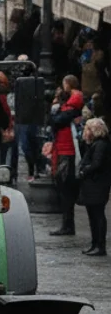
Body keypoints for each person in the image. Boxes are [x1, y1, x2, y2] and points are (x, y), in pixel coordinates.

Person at [50, 75, 85, 236]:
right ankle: (67, 224)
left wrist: (58, 106)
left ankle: (67, 225)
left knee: (65, 188)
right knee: (65, 188)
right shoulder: (72, 107)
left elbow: (56, 121)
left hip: (66, 151)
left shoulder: (70, 108)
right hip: (64, 150)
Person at [77, 118, 109, 256]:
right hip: (93, 184)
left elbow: (97, 163)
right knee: (93, 215)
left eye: (88, 129)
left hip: (97, 184)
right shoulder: (95, 144)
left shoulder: (101, 144)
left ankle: (99, 245)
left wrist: (84, 171)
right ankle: (95, 243)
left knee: (97, 215)